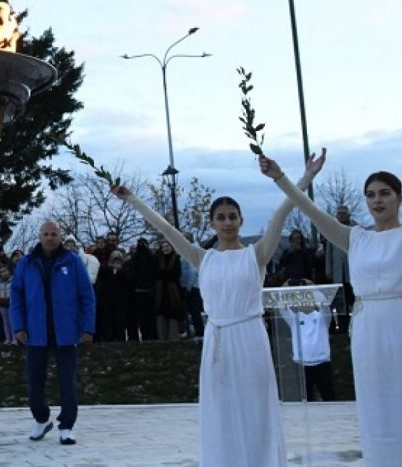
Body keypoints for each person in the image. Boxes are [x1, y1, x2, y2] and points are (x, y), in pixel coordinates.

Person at [113, 158, 319, 467]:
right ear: (212, 223)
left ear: (241, 220)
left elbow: (283, 211)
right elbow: (165, 228)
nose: (227, 222)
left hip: (250, 339)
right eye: (221, 217)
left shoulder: (257, 254)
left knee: (256, 409)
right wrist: (131, 198)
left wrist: (303, 178)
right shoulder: (202, 257)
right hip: (218, 341)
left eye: (232, 216)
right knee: (221, 410)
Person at [259, 150, 402, 464]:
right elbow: (310, 211)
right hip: (368, 327)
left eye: (385, 194)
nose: (377, 201)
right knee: (374, 402)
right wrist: (285, 178)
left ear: (398, 198)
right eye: (370, 195)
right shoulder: (356, 238)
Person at [10, 221, 95, 446]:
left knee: (68, 382)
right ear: (40, 236)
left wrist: (88, 328)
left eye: (54, 234)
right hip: (35, 333)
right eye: (46, 234)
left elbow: (87, 296)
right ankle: (41, 418)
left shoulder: (73, 262)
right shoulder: (27, 263)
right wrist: (18, 326)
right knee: (34, 382)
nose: (49, 237)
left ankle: (66, 426)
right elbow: (16, 296)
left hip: (66, 332)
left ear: (60, 236)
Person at [278, 279, 335, 402]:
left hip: (322, 363)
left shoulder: (322, 318)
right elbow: (282, 308)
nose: (304, 302)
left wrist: (314, 288)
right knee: (305, 400)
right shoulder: (294, 319)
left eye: (308, 298)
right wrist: (283, 289)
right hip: (302, 365)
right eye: (302, 299)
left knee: (329, 397)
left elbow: (325, 305)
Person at [324, 204, 355, 333]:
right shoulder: (332, 230)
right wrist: (328, 269)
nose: (341, 215)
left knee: (352, 299)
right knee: (338, 302)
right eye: (339, 213)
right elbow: (328, 252)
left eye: (344, 213)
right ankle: (339, 326)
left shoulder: (355, 229)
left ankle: (353, 324)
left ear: (348, 215)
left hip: (351, 272)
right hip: (337, 273)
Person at [153, 240, 184, 341]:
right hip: (161, 292)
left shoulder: (176, 258)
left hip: (173, 292)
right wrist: (166, 274)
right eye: (164, 247)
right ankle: (162, 337)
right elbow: (156, 274)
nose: (166, 248)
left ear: (172, 247)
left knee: (173, 314)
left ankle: (174, 337)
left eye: (168, 246)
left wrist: (163, 274)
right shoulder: (158, 259)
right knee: (161, 314)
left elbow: (175, 274)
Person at [0, 262, 15, 344]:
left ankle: (14, 339)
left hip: (12, 304)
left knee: (13, 321)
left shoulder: (14, 281)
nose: (3, 273)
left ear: (9, 271)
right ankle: (7, 338)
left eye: (5, 271)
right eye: (1, 272)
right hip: (2, 305)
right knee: (5, 322)